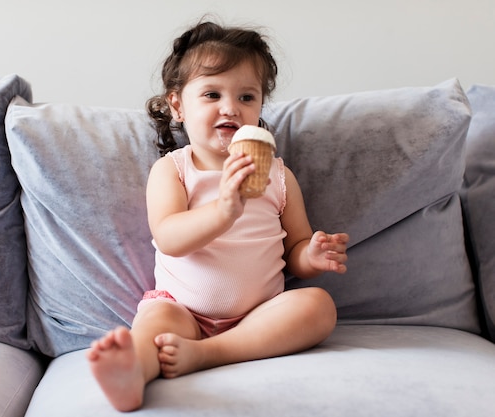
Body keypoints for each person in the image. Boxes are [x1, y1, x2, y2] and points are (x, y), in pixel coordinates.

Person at [87, 20, 349, 412]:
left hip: (258, 317)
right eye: (212, 94)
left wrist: (310, 256)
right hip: (182, 309)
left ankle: (207, 354)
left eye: (247, 96)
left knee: (318, 307)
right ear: (177, 106)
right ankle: (132, 373)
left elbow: (294, 245)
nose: (231, 108)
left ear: (260, 106)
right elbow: (169, 237)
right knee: (153, 327)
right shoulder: (174, 170)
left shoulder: (277, 175)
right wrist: (224, 210)